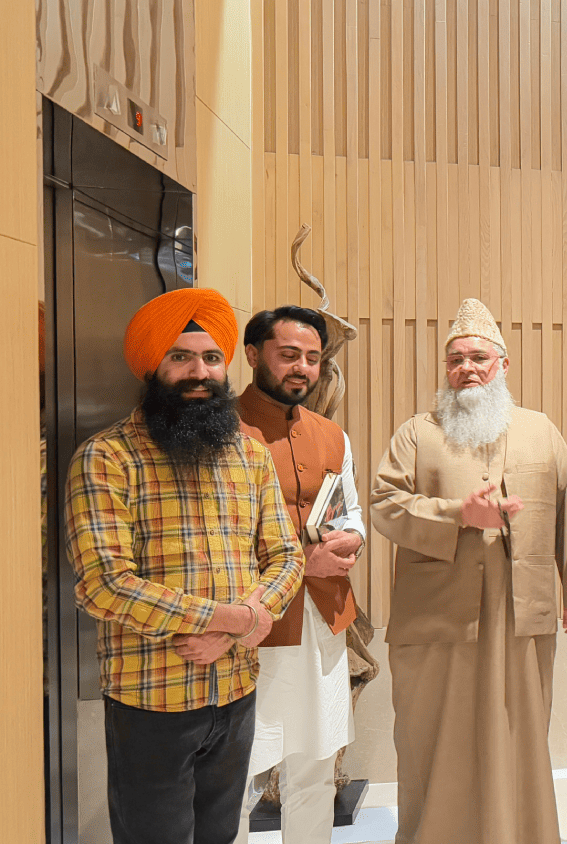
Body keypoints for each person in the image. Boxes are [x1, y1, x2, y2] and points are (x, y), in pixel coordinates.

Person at [65, 287, 303, 844]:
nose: (200, 372)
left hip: (236, 689)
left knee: (221, 836)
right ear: (153, 366)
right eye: (181, 357)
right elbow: (103, 585)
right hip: (153, 700)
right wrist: (233, 618)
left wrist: (240, 623)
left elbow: (285, 557)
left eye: (211, 357)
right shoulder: (107, 457)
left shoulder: (249, 454)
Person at [371, 298, 567, 844]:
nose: (466, 368)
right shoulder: (417, 433)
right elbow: (384, 505)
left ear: (503, 365)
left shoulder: (541, 430)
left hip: (521, 619)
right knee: (435, 740)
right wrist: (457, 515)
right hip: (439, 619)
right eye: (455, 360)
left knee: (519, 738)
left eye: (478, 358)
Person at [234, 306, 366, 844]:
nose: (302, 368)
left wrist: (352, 539)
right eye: (289, 355)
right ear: (252, 354)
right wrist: (299, 564)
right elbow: (213, 539)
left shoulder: (332, 434)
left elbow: (351, 513)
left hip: (323, 624)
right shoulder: (222, 430)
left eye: (312, 358)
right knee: (240, 771)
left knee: (315, 767)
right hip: (253, 627)